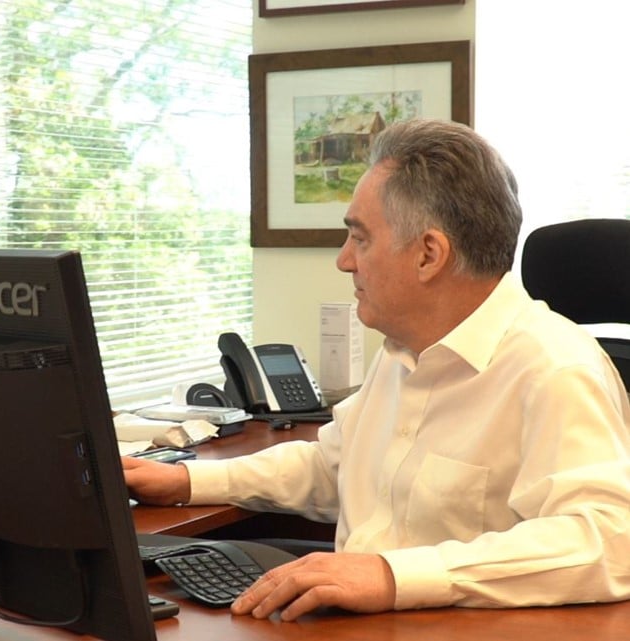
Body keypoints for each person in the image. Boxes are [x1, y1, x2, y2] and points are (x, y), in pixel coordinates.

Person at [123, 118, 630, 621]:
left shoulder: (554, 369)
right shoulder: (403, 350)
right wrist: (187, 481)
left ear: (429, 254)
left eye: (360, 239)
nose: (345, 261)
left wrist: (392, 575)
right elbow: (335, 467)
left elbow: (608, 540)